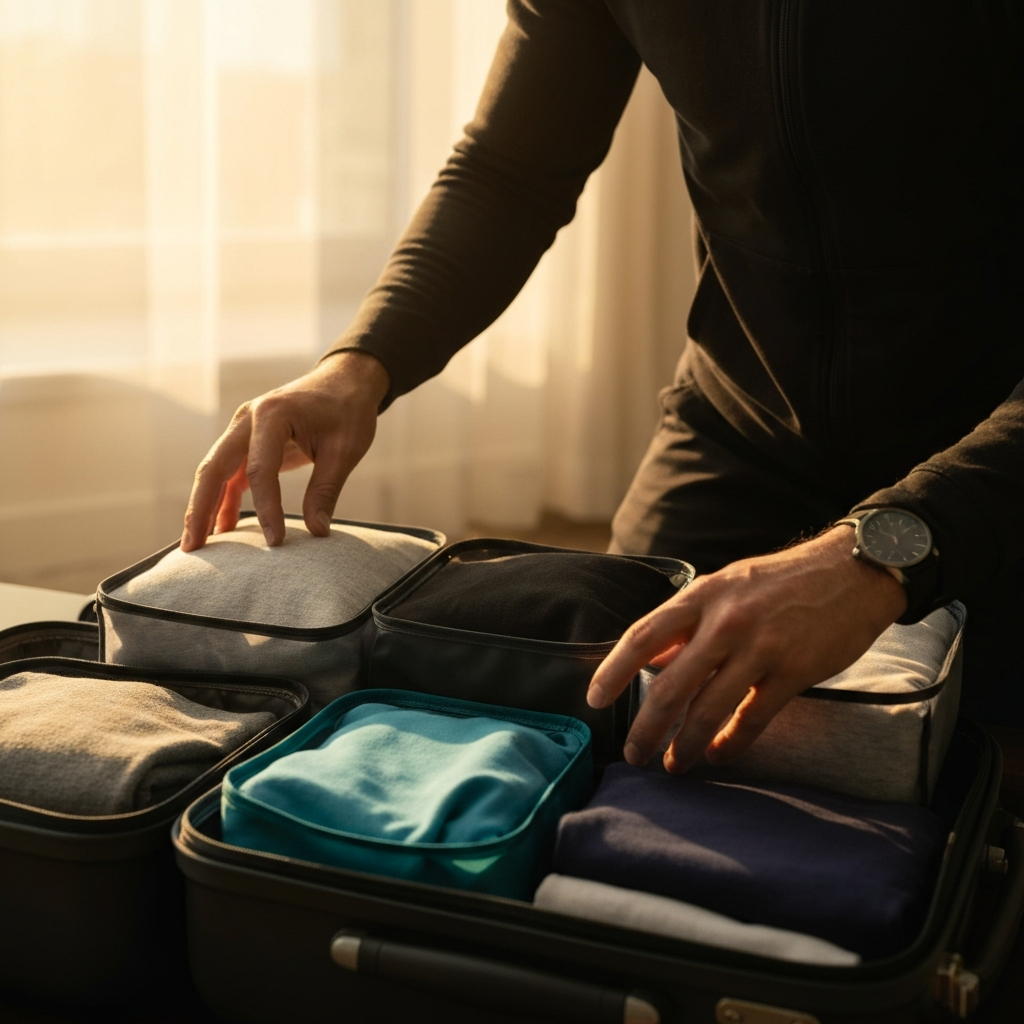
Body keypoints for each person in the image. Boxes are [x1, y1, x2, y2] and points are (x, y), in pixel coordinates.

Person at [182, 1, 1024, 773]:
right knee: (613, 743)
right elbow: (511, 170)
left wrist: (884, 549)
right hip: (742, 429)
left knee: (962, 794)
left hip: (992, 461)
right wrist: (360, 364)